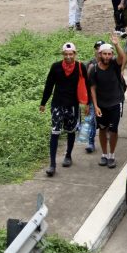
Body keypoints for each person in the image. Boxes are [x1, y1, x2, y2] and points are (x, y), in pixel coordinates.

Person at [39, 42, 89, 177]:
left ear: (75, 54)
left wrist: (88, 104)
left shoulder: (80, 67)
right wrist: (43, 102)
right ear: (62, 55)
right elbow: (49, 85)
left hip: (72, 105)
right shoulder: (55, 67)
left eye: (71, 54)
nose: (68, 57)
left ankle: (68, 155)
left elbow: (87, 85)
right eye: (66, 54)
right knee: (55, 131)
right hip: (57, 104)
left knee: (70, 131)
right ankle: (52, 164)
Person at [88, 35, 126, 168]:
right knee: (103, 129)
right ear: (99, 54)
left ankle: (112, 155)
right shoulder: (94, 70)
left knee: (113, 130)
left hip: (115, 103)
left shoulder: (115, 65)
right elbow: (92, 88)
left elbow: (122, 57)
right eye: (104, 54)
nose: (107, 57)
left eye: (109, 54)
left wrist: (116, 44)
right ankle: (104, 154)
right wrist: (96, 105)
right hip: (102, 105)